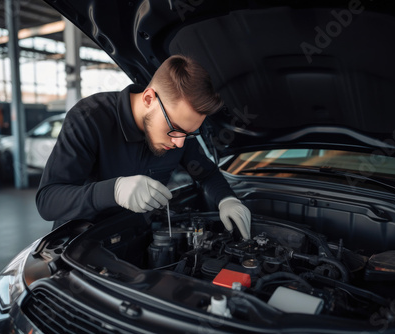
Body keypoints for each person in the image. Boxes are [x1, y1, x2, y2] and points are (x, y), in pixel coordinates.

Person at [36, 55, 251, 239]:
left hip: (141, 243)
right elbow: (48, 200)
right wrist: (114, 190)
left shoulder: (180, 134)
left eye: (189, 133)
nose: (180, 143)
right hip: (83, 250)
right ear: (149, 98)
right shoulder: (89, 118)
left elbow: (206, 173)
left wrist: (227, 199)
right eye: (175, 128)